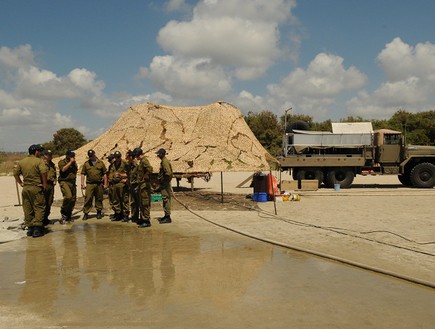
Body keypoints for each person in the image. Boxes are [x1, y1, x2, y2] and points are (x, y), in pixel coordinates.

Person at [13, 144, 47, 238]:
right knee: (39, 206)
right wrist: (44, 184)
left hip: (26, 188)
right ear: (36, 151)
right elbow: (43, 172)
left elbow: (15, 173)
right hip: (36, 187)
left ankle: (30, 228)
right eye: (39, 151)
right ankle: (37, 228)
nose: (40, 153)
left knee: (27, 207)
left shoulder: (22, 161)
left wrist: (20, 183)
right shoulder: (39, 161)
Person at [81, 149, 108, 220]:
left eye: (92, 156)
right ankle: (86, 213)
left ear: (94, 155)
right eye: (89, 156)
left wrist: (105, 184)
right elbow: (83, 174)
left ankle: (98, 212)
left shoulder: (100, 163)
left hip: (99, 184)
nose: (91, 157)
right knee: (88, 198)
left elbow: (105, 174)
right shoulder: (86, 164)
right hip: (90, 184)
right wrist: (82, 184)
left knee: (99, 198)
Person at [133, 147, 153, 228]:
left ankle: (146, 220)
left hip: (144, 185)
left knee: (145, 203)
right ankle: (143, 218)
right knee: (141, 203)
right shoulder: (141, 162)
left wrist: (145, 177)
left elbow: (150, 169)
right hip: (141, 185)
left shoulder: (144, 161)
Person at [109, 151, 130, 221]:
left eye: (118, 157)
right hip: (115, 184)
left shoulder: (125, 163)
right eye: (116, 157)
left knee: (124, 200)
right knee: (116, 200)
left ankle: (125, 215)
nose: (117, 158)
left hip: (122, 184)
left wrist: (123, 176)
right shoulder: (113, 164)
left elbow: (130, 173)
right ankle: (118, 214)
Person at [58, 150, 78, 224]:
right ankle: (63, 211)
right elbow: (63, 169)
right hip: (64, 181)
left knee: (73, 199)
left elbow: (75, 171)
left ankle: (68, 214)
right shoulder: (62, 162)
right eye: (71, 156)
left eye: (73, 156)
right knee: (68, 196)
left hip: (72, 182)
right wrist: (70, 162)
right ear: (67, 156)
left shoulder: (74, 163)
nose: (72, 157)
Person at [156, 148, 173, 224]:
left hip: (165, 184)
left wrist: (164, 181)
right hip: (164, 184)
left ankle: (167, 216)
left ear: (162, 154)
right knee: (165, 199)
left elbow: (168, 173)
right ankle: (166, 215)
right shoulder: (163, 161)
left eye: (159, 154)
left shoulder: (164, 162)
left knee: (166, 199)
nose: (158, 155)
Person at [43, 149, 57, 226]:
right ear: (45, 155)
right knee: (43, 202)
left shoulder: (52, 164)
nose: (50, 156)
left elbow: (54, 174)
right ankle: (40, 219)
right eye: (48, 155)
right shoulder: (41, 164)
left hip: (51, 185)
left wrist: (55, 180)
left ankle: (45, 218)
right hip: (44, 184)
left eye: (51, 155)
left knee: (49, 201)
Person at [126, 150, 139, 222]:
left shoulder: (137, 165)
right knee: (133, 202)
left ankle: (143, 218)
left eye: (127, 157)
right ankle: (134, 217)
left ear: (131, 157)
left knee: (139, 202)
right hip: (132, 185)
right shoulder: (129, 165)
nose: (126, 159)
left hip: (137, 185)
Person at [106, 154, 116, 218]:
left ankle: (118, 213)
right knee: (111, 200)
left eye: (110, 159)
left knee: (116, 200)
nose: (108, 161)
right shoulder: (110, 167)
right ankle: (115, 212)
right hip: (111, 185)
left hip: (115, 184)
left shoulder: (116, 166)